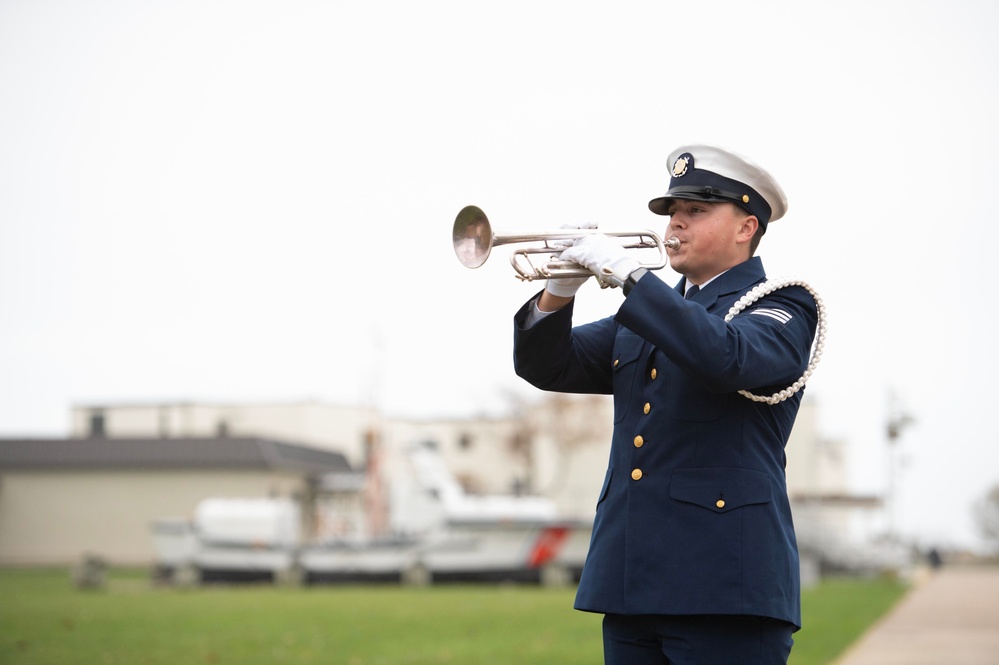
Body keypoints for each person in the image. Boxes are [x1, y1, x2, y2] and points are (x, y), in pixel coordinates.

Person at [513, 144, 818, 664]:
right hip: (632, 582)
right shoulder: (653, 314)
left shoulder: (782, 303)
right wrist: (558, 292)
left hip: (725, 586)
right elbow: (547, 366)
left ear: (746, 227)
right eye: (672, 212)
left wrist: (633, 277)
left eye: (695, 211)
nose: (675, 223)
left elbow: (727, 357)